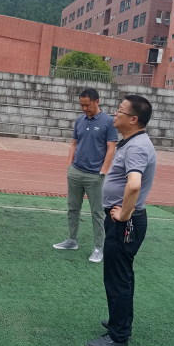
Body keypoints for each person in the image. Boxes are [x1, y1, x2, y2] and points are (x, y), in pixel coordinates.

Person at [86, 95, 156, 346]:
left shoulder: (136, 147)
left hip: (125, 223)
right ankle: (121, 323)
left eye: (120, 111)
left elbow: (134, 184)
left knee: (117, 279)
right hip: (125, 220)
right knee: (122, 276)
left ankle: (118, 337)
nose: (114, 114)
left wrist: (124, 215)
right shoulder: (132, 142)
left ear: (133, 119)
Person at [53, 88, 117, 263]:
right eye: (81, 105)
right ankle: (72, 240)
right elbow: (74, 143)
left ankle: (98, 248)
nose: (84, 108)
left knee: (97, 212)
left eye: (87, 105)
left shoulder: (108, 122)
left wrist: (103, 171)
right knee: (73, 208)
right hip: (76, 171)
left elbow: (111, 148)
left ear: (97, 102)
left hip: (95, 175)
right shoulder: (80, 120)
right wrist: (69, 166)